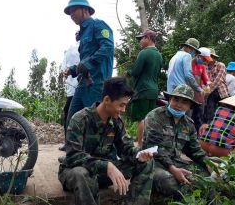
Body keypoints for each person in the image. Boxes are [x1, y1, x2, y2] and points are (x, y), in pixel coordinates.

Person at [58, 77, 155, 205]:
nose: (123, 110)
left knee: (146, 163)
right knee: (80, 173)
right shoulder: (80, 119)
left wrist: (139, 155)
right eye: (121, 105)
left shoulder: (116, 122)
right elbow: (73, 156)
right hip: (77, 172)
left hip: (103, 173)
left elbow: (126, 148)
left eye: (125, 105)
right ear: (107, 100)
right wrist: (107, 166)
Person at [143, 84, 211, 200]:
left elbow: (195, 149)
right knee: (169, 182)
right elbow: (154, 147)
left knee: (205, 177)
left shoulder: (188, 124)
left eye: (184, 102)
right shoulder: (155, 116)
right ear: (170, 99)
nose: (179, 105)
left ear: (190, 106)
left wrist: (209, 164)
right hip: (152, 162)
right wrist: (173, 169)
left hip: (176, 162)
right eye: (176, 99)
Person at [63, 0, 114, 130]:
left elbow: (107, 47)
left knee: (95, 121)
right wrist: (73, 70)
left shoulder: (98, 25)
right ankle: (74, 150)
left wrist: (88, 63)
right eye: (69, 12)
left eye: (74, 10)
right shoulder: (83, 33)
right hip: (83, 83)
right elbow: (84, 61)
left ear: (85, 10)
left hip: (97, 83)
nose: (71, 14)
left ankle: (104, 149)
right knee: (72, 119)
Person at [126, 29, 163, 148]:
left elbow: (136, 72)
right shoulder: (159, 55)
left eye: (141, 38)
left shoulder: (144, 53)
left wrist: (128, 72)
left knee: (141, 118)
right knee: (149, 118)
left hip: (142, 90)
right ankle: (148, 144)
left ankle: (140, 144)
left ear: (148, 38)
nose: (140, 41)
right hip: (153, 91)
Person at [59, 32, 80, 151]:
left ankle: (70, 143)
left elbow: (64, 68)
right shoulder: (73, 49)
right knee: (69, 112)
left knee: (69, 113)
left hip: (76, 87)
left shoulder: (72, 49)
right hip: (75, 87)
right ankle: (69, 143)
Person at [203, 48, 228, 124]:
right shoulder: (206, 67)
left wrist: (207, 92)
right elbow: (206, 82)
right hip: (211, 93)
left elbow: (218, 80)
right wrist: (206, 93)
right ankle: (210, 130)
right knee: (209, 113)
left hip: (221, 92)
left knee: (223, 112)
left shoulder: (221, 65)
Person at [191, 47, 212, 133]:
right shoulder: (189, 64)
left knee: (199, 115)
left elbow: (206, 80)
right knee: (189, 115)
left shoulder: (202, 67)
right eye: (204, 59)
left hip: (198, 93)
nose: (205, 61)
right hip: (188, 93)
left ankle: (198, 134)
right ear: (198, 56)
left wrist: (207, 87)